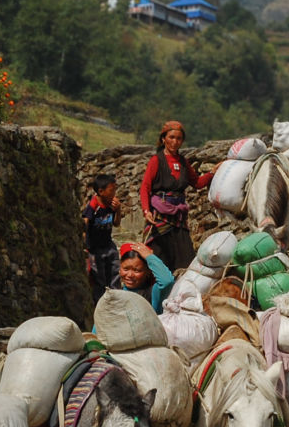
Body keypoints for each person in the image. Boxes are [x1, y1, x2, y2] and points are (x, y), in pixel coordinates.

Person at [139, 120, 215, 273]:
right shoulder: (156, 161)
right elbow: (145, 187)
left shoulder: (183, 162)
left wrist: (213, 172)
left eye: (179, 138)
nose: (175, 142)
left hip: (179, 218)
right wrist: (146, 211)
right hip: (160, 217)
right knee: (159, 259)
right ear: (163, 139)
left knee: (184, 261)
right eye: (171, 137)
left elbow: (198, 183)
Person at [82, 173, 122, 301]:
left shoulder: (111, 204)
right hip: (95, 248)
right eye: (112, 190)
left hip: (108, 244)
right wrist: (84, 244)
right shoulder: (94, 206)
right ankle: (101, 303)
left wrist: (118, 210)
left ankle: (117, 299)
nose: (114, 194)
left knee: (115, 272)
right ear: (101, 191)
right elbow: (85, 222)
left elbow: (116, 223)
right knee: (99, 278)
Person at [109, 241, 174, 313]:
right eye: (126, 269)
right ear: (120, 268)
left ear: (148, 271)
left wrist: (149, 257)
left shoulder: (154, 293)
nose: (130, 275)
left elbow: (167, 281)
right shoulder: (115, 296)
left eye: (137, 271)